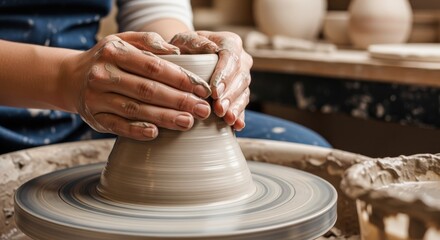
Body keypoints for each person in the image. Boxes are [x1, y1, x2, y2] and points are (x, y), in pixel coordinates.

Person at [0, 0, 330, 154]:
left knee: (308, 152)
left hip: (96, 109)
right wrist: (65, 79)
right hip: (60, 91)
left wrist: (182, 56)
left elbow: (154, 10)